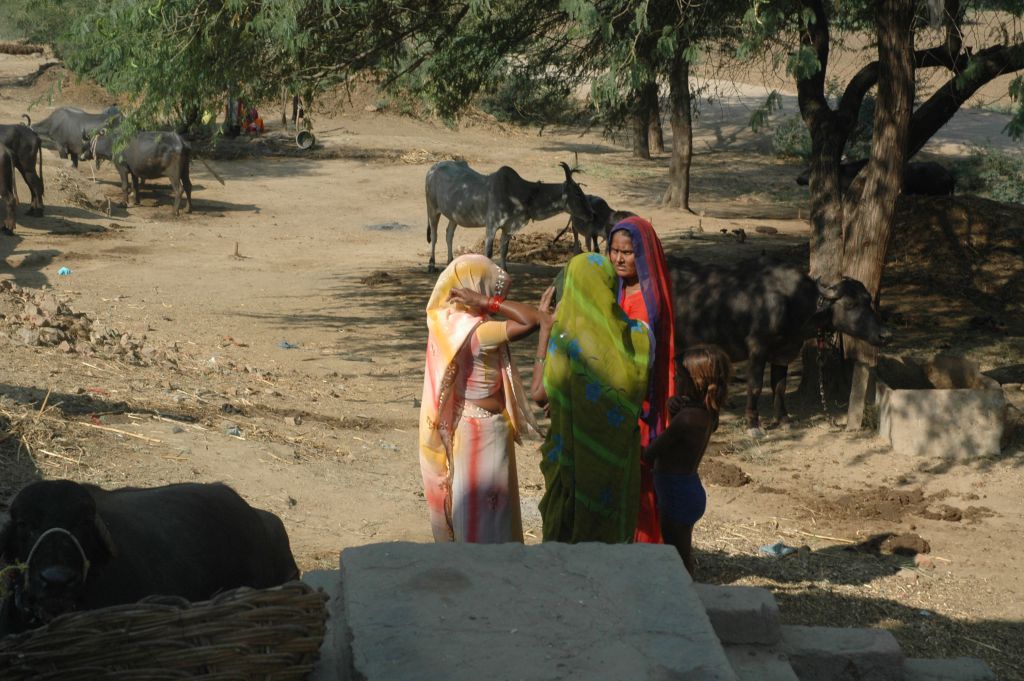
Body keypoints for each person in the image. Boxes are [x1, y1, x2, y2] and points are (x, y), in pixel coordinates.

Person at [418, 254, 548, 543]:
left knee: (475, 508)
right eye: (489, 289)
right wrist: (488, 304)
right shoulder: (482, 332)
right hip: (485, 432)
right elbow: (532, 320)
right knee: (491, 518)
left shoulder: (446, 324)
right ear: (474, 289)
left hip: (465, 426)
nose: (495, 297)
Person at [531, 253, 651, 543]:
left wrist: (545, 330)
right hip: (615, 461)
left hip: (570, 457)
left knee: (568, 538)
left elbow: (538, 394)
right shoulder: (640, 336)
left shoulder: (563, 339)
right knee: (609, 536)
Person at [607, 216, 676, 544]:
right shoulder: (615, 289)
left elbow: (641, 363)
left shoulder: (649, 302)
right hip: (617, 399)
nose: (619, 259)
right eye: (614, 251)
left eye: (628, 252)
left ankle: (646, 549)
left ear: (643, 255)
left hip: (639, 403)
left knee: (640, 480)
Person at [643, 345, 732, 574]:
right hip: (687, 488)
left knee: (678, 559)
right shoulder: (706, 414)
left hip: (675, 493)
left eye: (679, 377)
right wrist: (673, 410)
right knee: (682, 553)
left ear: (696, 382)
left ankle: (686, 599)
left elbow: (651, 453)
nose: (676, 380)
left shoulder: (687, 419)